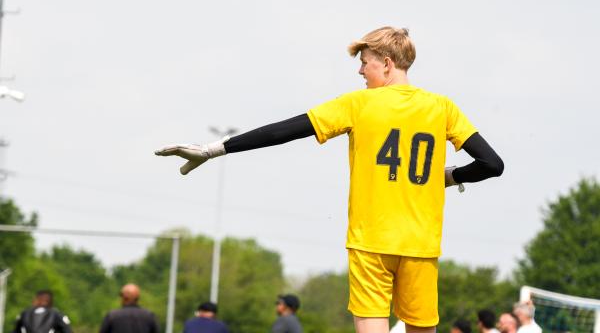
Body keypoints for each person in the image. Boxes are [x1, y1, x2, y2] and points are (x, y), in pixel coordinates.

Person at [156, 26, 504, 333]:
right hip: (421, 244)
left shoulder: (359, 104)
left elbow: (287, 129)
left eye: (365, 62)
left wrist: (213, 149)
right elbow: (491, 164)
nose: (360, 70)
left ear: (385, 61)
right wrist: (449, 176)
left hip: (371, 243)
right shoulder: (443, 108)